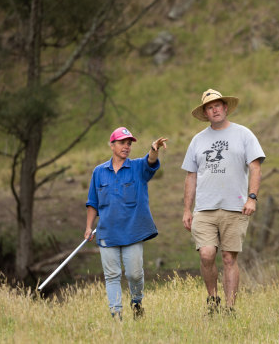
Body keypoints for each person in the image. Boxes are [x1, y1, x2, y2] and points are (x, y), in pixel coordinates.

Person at [181, 89, 265, 315]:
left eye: (218, 105)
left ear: (226, 108)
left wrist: (252, 197)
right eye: (210, 107)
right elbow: (191, 175)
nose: (215, 109)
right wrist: (187, 210)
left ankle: (229, 307)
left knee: (229, 257)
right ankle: (213, 299)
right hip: (205, 208)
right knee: (207, 254)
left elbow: (255, 166)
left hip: (235, 207)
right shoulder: (197, 140)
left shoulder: (244, 134)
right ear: (205, 113)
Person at [85, 127, 168, 321]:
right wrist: (89, 227)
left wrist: (153, 149)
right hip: (107, 233)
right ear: (112, 145)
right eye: (122, 142)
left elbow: (151, 162)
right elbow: (92, 202)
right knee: (112, 275)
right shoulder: (99, 172)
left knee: (134, 274)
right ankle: (116, 315)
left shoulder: (138, 167)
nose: (126, 147)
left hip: (133, 232)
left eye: (129, 143)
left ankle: (137, 301)